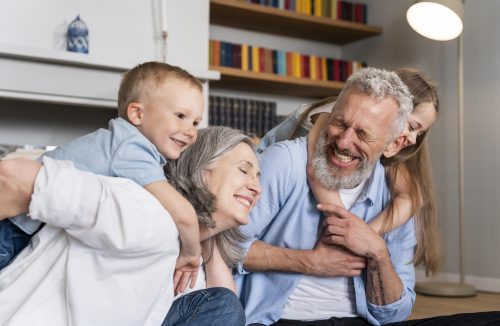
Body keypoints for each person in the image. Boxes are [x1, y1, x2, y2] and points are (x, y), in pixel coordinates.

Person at [0, 126, 261, 326]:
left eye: (258, 177)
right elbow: (13, 177)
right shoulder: (140, 209)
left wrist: (206, 237)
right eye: (244, 170)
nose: (256, 186)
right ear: (202, 171)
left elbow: (224, 308)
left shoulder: (188, 259)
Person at [236, 67, 416, 325]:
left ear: (394, 144)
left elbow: (395, 313)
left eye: (363, 134)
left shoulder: (395, 196)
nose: (343, 142)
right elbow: (222, 245)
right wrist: (309, 262)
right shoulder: (285, 161)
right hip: (283, 319)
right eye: (339, 123)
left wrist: (378, 252)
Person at [0, 61, 204, 288]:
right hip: (12, 229)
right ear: (137, 114)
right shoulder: (133, 148)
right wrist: (192, 254)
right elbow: (183, 214)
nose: (191, 131)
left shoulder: (119, 141)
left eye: (196, 122)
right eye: (180, 115)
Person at [258, 68, 441, 276]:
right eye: (412, 126)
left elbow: (412, 197)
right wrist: (345, 234)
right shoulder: (333, 115)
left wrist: (366, 234)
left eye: (421, 132)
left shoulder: (387, 145)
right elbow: (314, 170)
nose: (414, 138)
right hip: (259, 170)